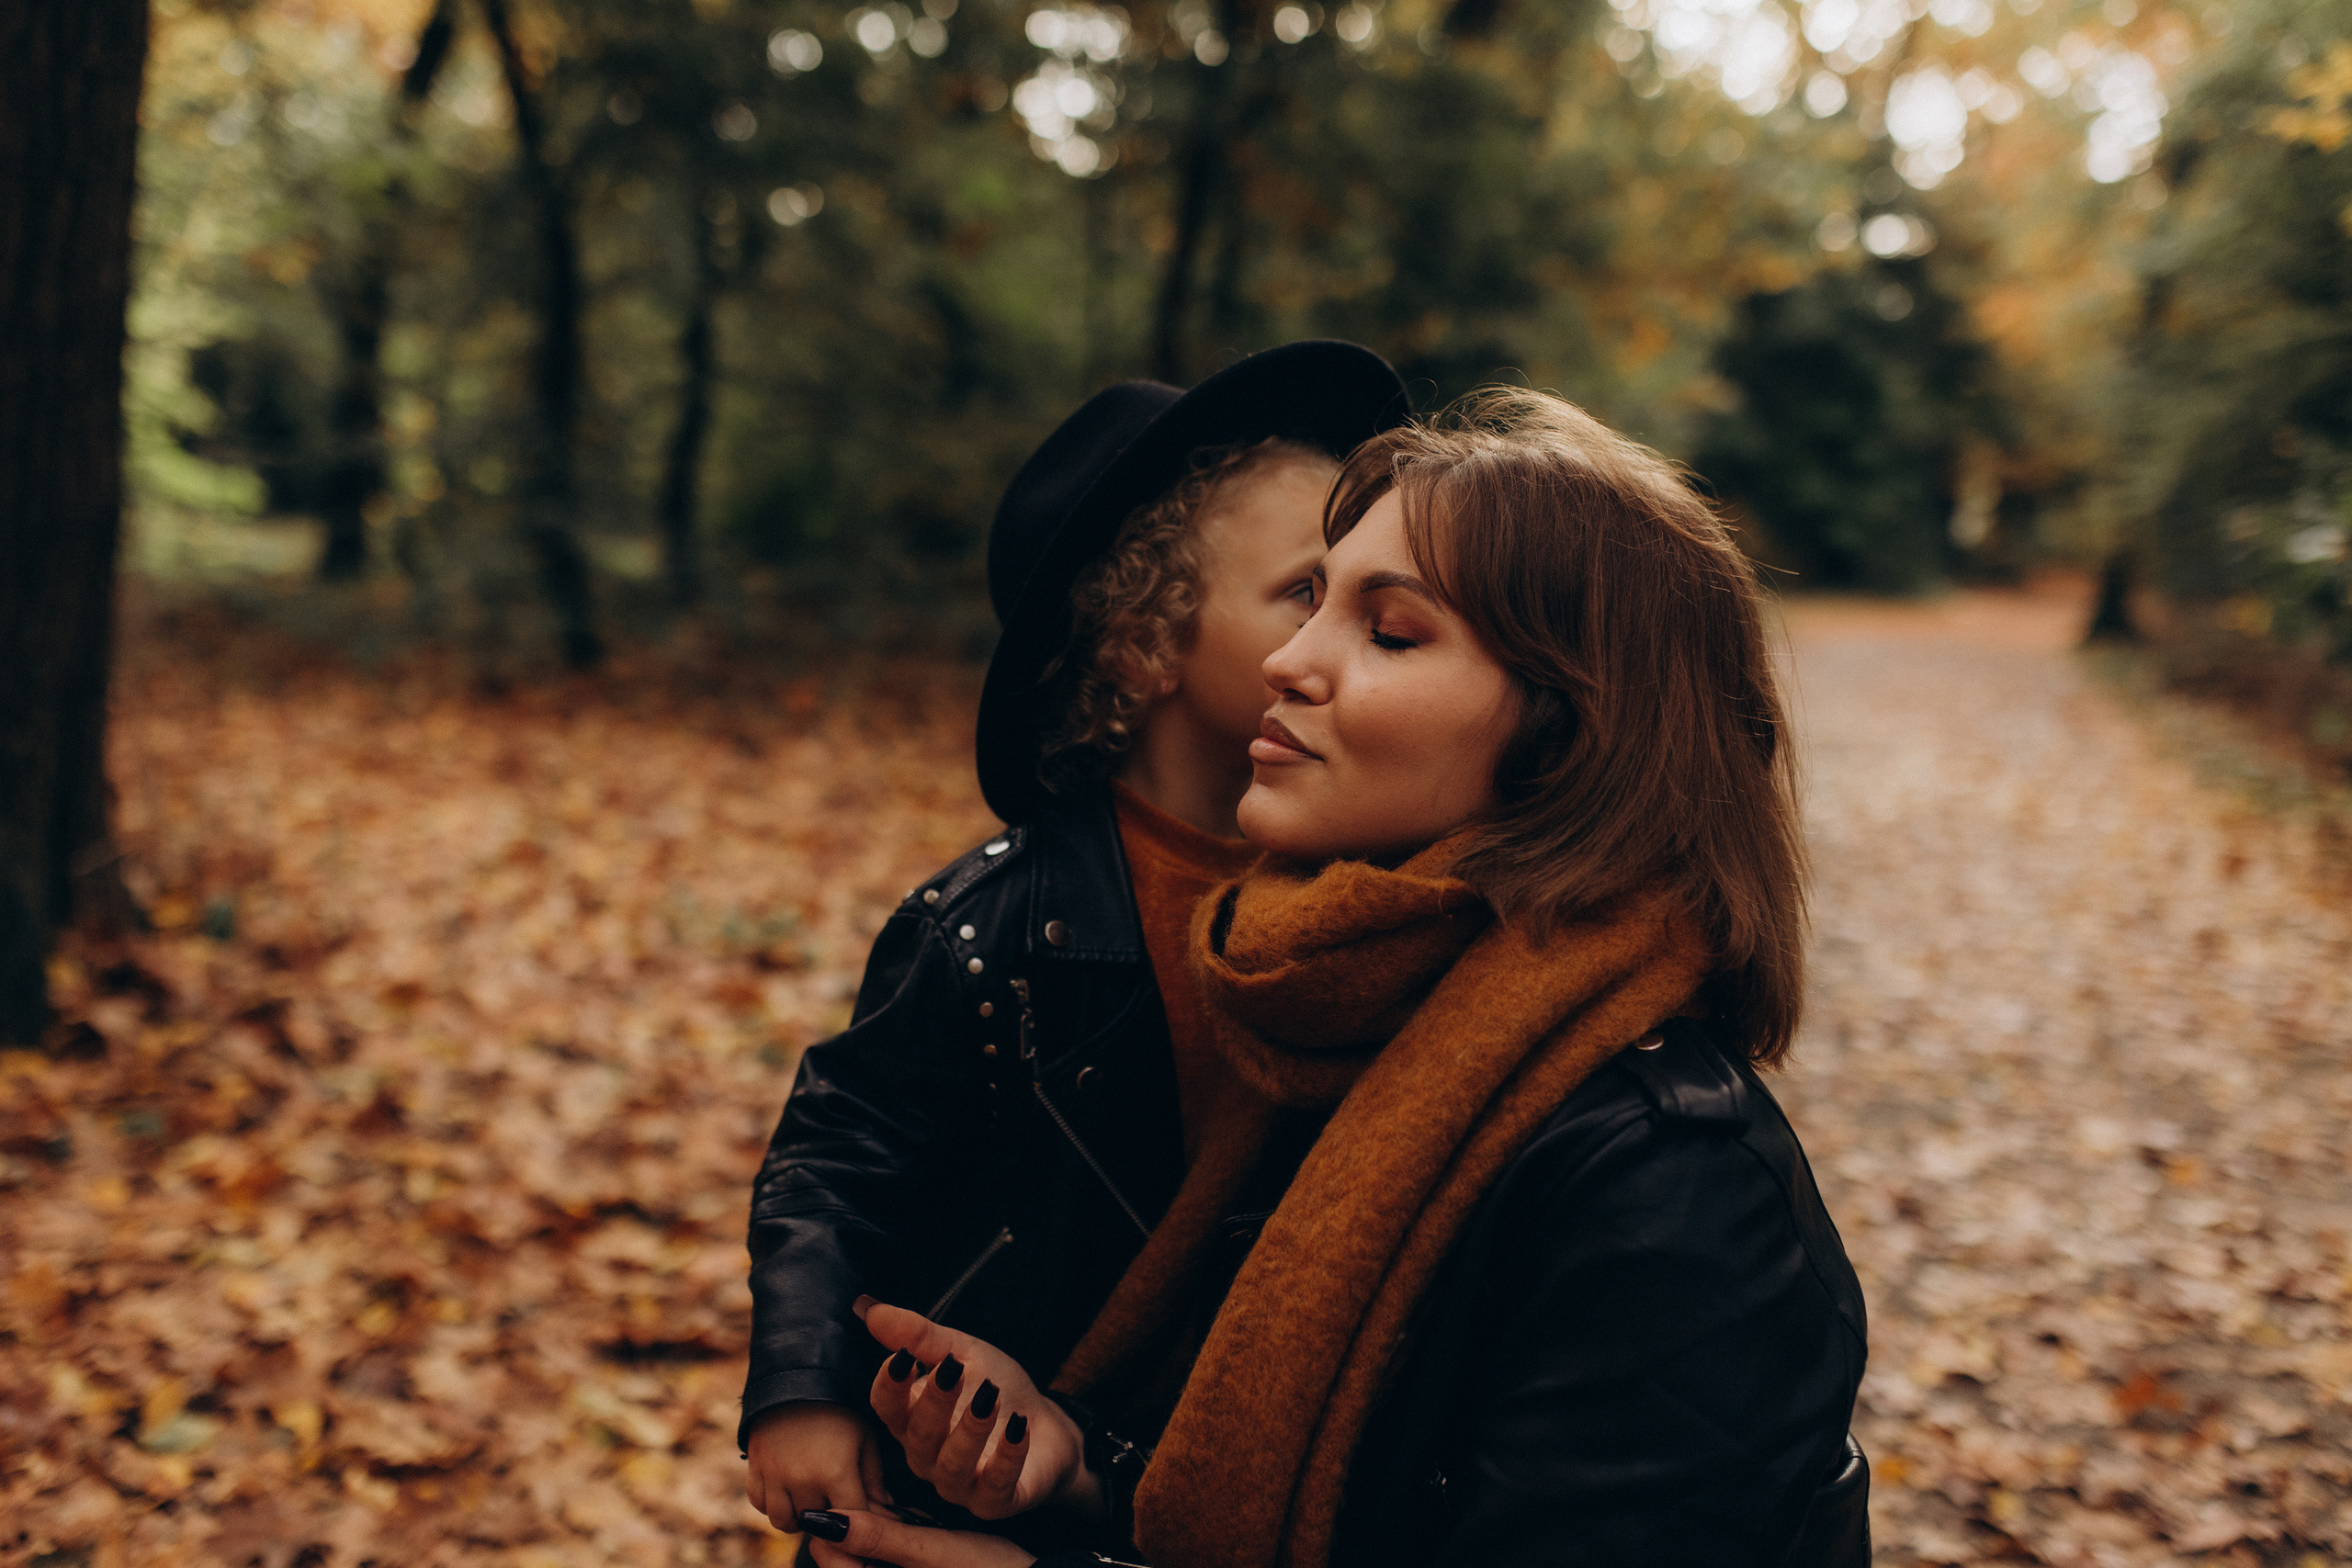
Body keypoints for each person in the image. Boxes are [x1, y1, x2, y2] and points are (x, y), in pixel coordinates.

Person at [788, 389, 1871, 1568]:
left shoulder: (1671, 1187)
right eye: (1309, 603)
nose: (1289, 662)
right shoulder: (1325, 1016)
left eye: (1388, 631)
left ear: (1571, 737)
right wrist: (1077, 1477)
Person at [740, 341, 1412, 1547]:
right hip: (988, 1458)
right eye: (1306, 592)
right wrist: (806, 1384)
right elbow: (841, 1152)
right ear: (1145, 640)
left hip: (1237, 1456)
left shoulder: (1375, 884)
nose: (1343, 638)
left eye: (1374, 602)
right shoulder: (988, 930)